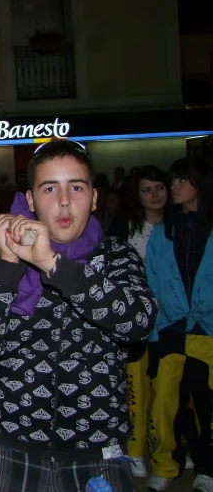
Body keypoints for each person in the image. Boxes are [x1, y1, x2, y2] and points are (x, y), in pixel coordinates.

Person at [0, 140, 157, 492]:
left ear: (94, 198)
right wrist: (7, 266)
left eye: (76, 187)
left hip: (98, 451)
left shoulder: (116, 257)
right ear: (31, 200)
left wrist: (52, 264)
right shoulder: (2, 259)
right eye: (50, 188)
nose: (64, 201)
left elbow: (139, 323)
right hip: (14, 447)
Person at [145, 158, 213, 492]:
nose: (173, 186)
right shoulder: (164, 230)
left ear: (200, 183)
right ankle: (165, 464)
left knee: (206, 402)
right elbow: (152, 281)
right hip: (170, 327)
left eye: (181, 180)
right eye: (172, 180)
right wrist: (155, 328)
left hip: (207, 328)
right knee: (164, 402)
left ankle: (208, 467)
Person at [122, 166, 170, 477]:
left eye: (159, 187)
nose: (154, 195)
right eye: (146, 190)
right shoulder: (127, 228)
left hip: (172, 319)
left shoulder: (179, 226)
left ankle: (168, 448)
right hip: (136, 319)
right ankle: (136, 450)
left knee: (167, 391)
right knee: (135, 388)